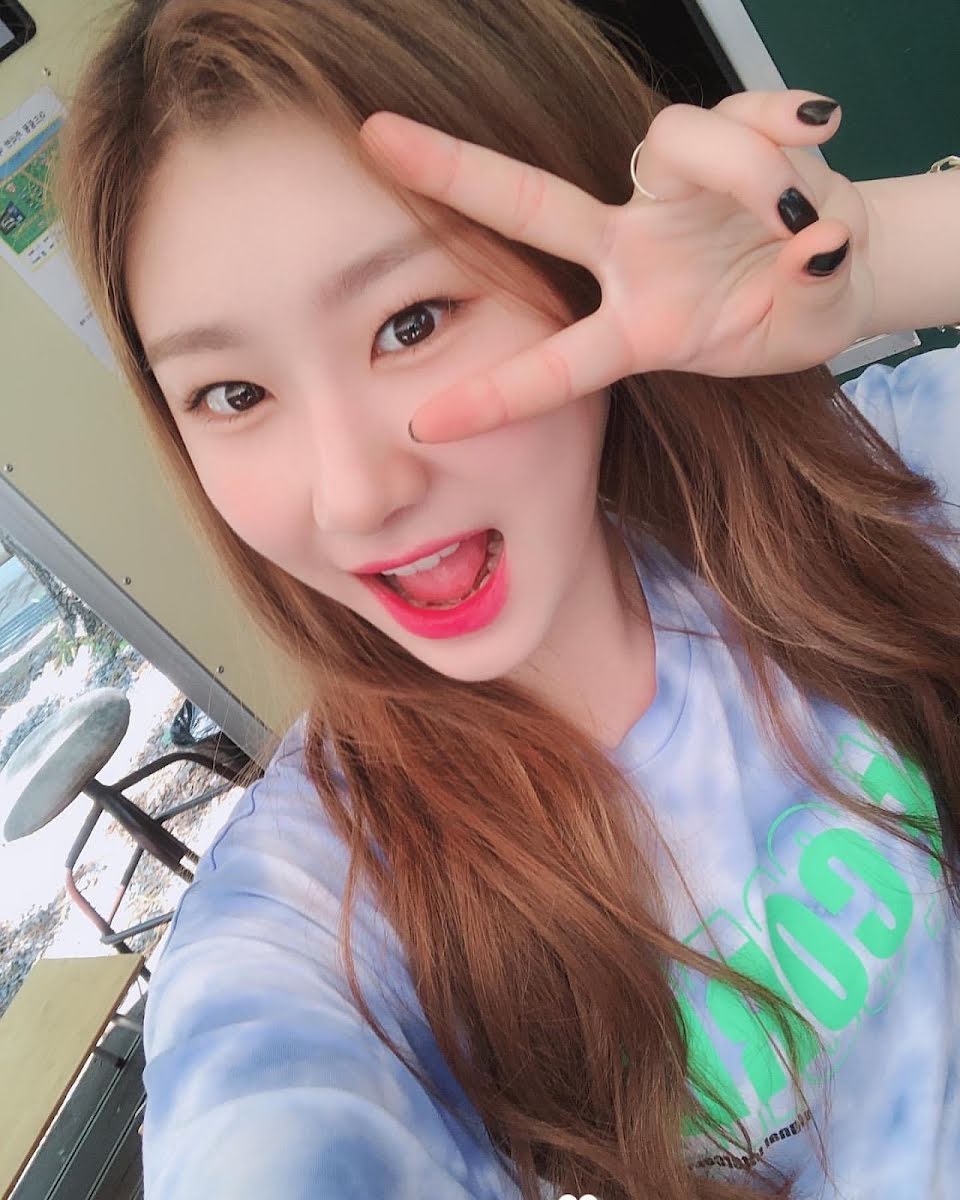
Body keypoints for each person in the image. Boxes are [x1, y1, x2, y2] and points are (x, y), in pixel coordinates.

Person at [53, 1, 960, 1198]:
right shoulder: (324, 912)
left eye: (411, 323)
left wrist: (881, 260)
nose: (355, 493)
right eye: (233, 394)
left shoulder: (881, 497)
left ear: (581, 274)